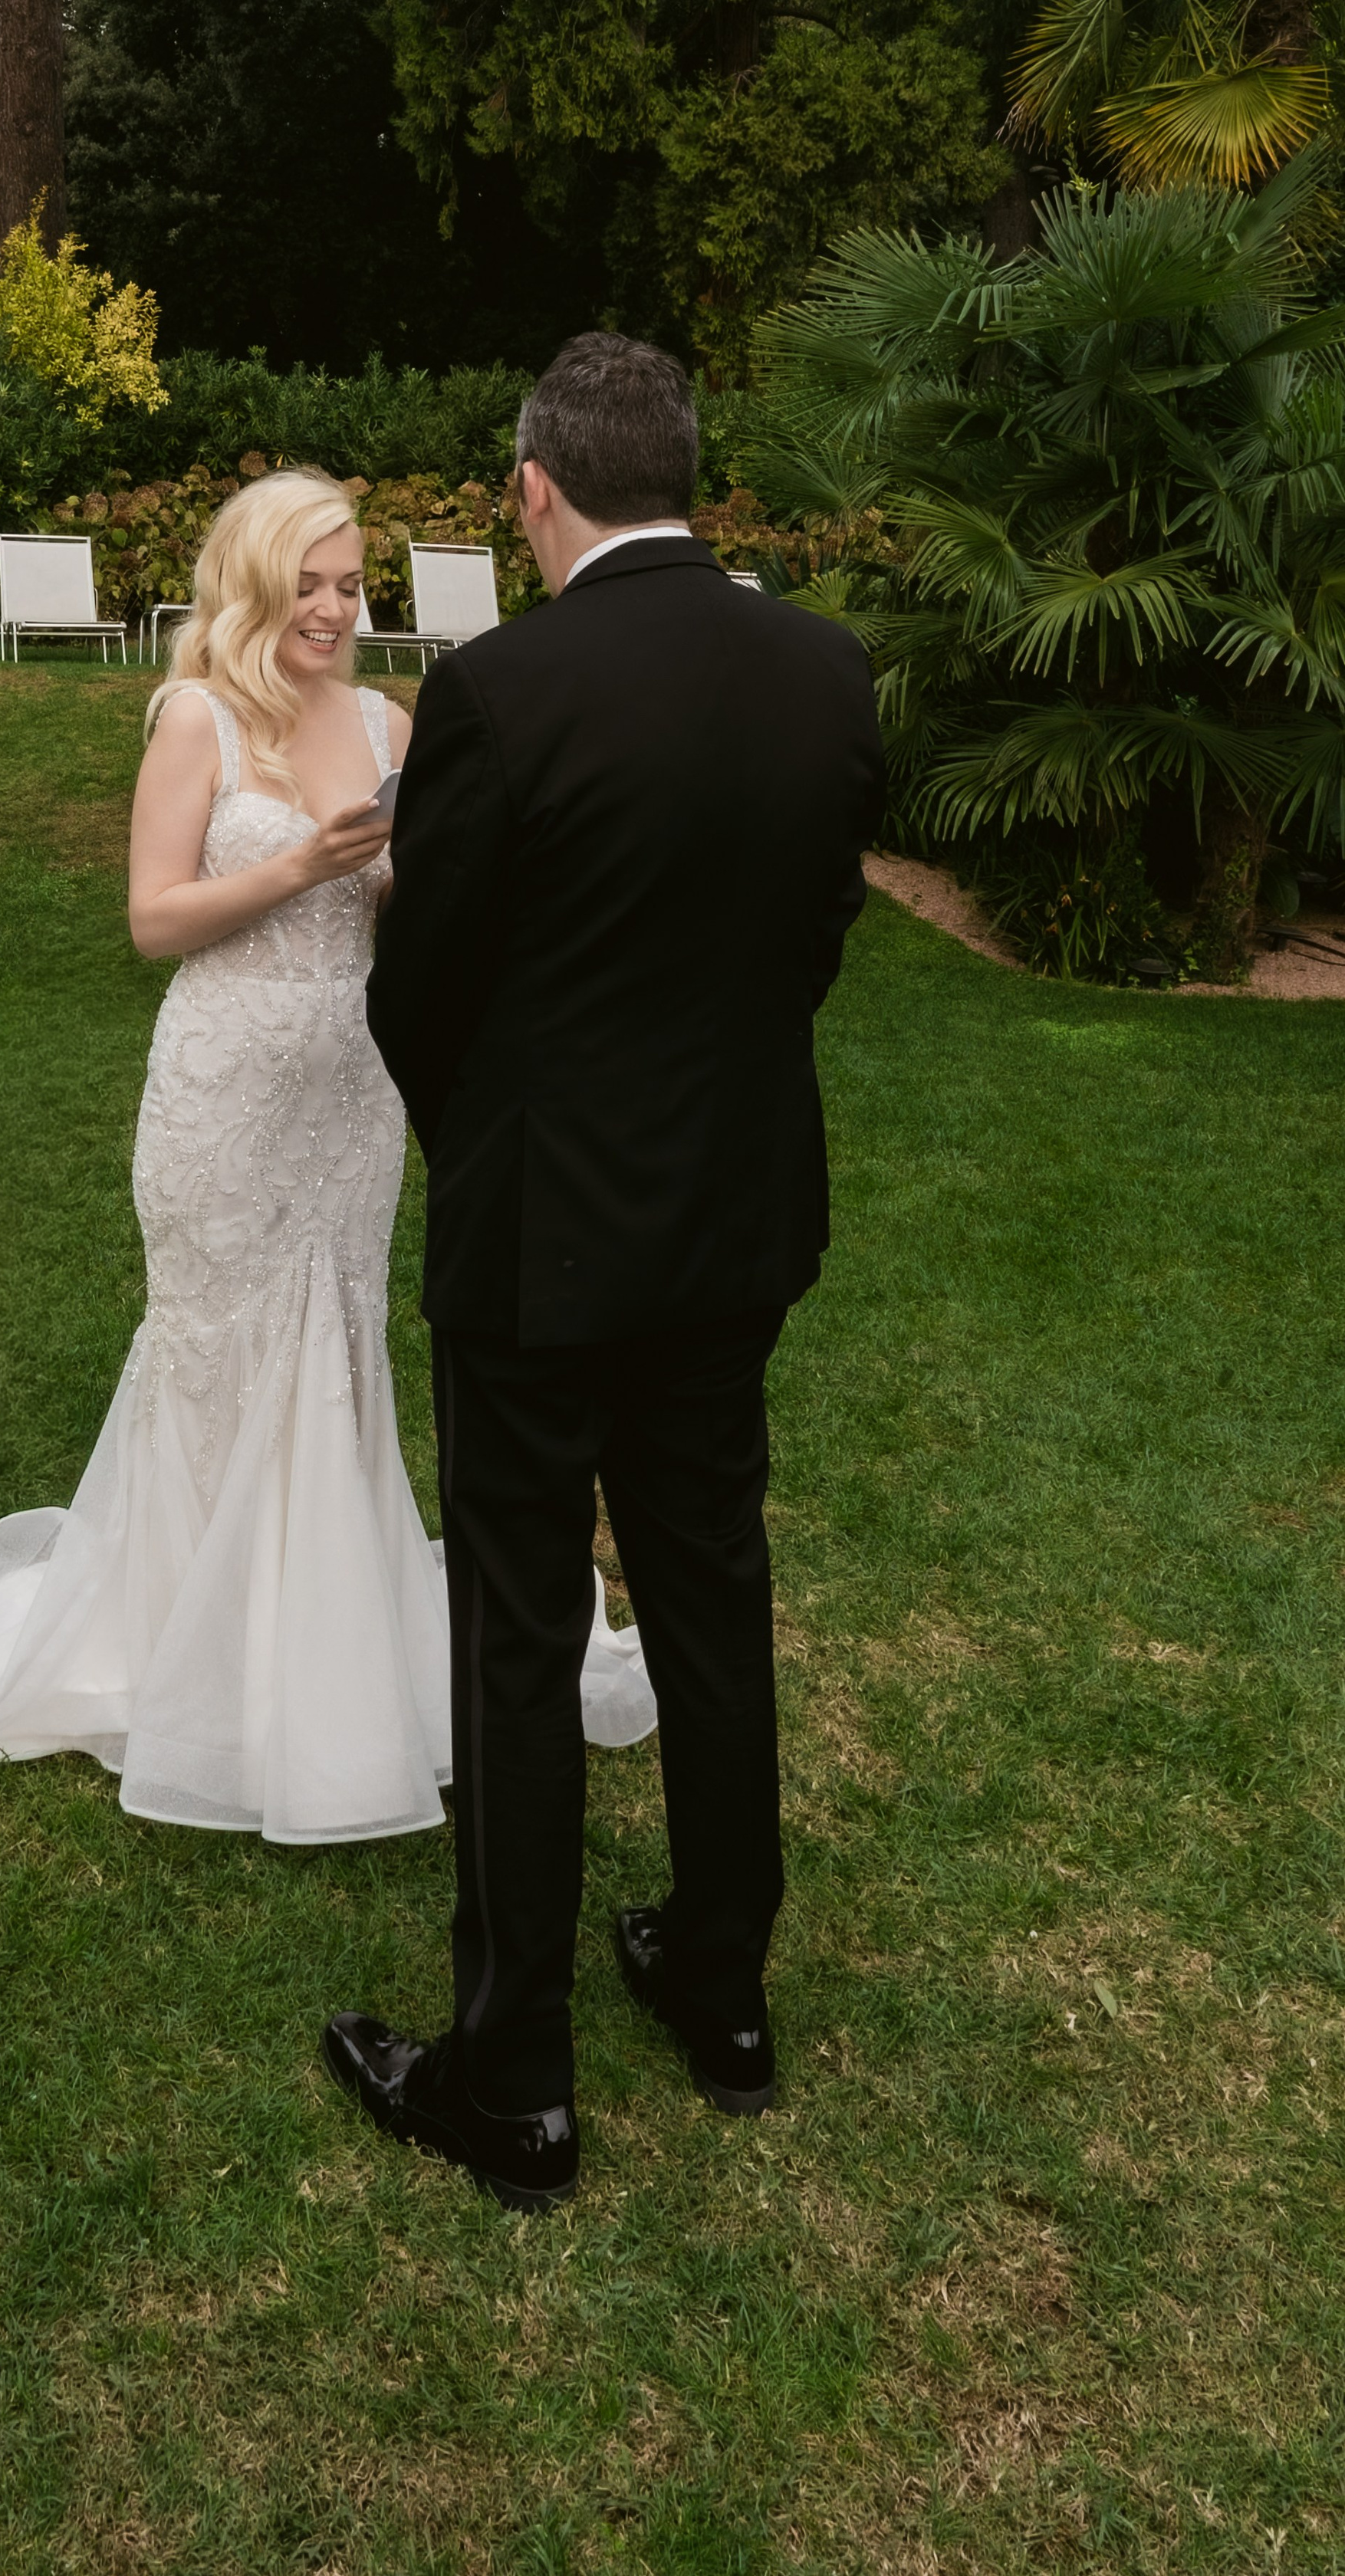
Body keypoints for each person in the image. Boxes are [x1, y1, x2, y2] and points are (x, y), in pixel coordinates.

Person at [0, 468, 653, 1842]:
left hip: (352, 1103)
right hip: (222, 1095)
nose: (330, 607)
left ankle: (325, 1646)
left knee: (341, 1349)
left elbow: (424, 918)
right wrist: (305, 865)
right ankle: (184, 1653)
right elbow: (154, 918)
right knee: (218, 1350)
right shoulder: (196, 713)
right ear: (251, 582)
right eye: (305, 582)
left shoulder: (393, 721)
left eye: (348, 583)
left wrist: (407, 880)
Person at [322, 334, 886, 2205]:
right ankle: (723, 1996)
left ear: (533, 490)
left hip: (542, 1238)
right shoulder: (821, 666)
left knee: (516, 1626)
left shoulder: (496, 686)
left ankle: (515, 2084)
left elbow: (423, 979)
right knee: (712, 1591)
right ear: (690, 480)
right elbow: (807, 941)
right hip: (732, 1226)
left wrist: (476, 1131)